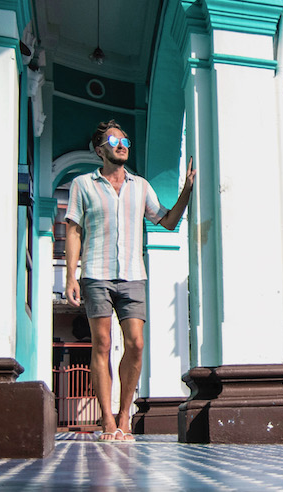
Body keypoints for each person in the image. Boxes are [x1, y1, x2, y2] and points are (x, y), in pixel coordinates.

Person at [64, 120, 195, 441]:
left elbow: (166, 220)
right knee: (103, 344)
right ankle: (107, 421)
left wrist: (187, 189)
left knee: (136, 344)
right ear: (100, 150)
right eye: (113, 140)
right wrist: (71, 275)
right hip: (95, 273)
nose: (122, 145)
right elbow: (73, 230)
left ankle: (125, 415)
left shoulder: (141, 186)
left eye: (125, 141)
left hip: (133, 275)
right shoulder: (83, 184)